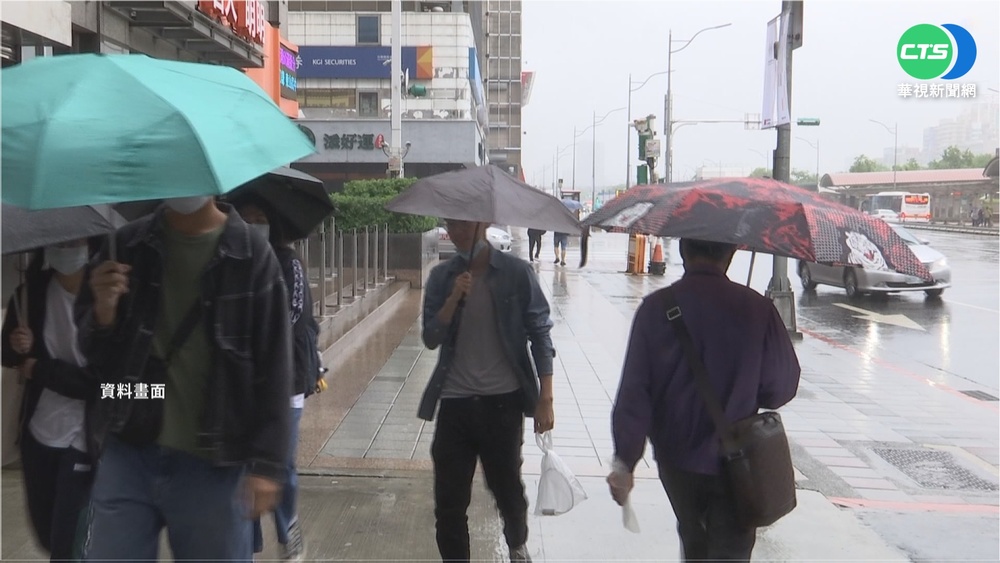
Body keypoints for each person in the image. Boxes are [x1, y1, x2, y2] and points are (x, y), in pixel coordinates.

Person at [75, 195, 293, 561]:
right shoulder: (127, 245)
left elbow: (275, 367)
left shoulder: (251, 253)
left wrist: (268, 465)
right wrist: (103, 313)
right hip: (128, 449)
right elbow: (95, 358)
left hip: (214, 462)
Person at [606, 238, 800, 562]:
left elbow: (635, 393)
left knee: (693, 538)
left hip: (677, 460)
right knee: (732, 550)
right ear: (732, 252)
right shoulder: (757, 308)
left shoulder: (656, 308)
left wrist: (625, 461)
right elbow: (780, 388)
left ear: (683, 250)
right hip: (739, 461)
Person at [418, 219, 556, 563]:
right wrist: (452, 300)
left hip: (502, 404)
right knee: (449, 501)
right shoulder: (441, 277)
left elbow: (540, 333)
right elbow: (430, 338)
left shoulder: (516, 273)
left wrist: (546, 397)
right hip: (455, 403)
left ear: (483, 225)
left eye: (465, 225)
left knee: (507, 490)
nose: (458, 232)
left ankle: (517, 543)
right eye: (452, 225)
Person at [1, 239, 99, 561]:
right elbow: (7, 356)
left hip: (87, 435)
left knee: (67, 542)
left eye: (76, 241)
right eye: (61, 241)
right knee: (45, 530)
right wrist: (18, 345)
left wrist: (41, 370)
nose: (68, 248)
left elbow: (106, 384)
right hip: (40, 431)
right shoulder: (31, 294)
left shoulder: (106, 297)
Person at [235, 195, 321, 562]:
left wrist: (253, 344)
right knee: (243, 464)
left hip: (285, 383)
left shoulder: (289, 264)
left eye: (260, 218)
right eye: (246, 218)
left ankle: (288, 530)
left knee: (279, 462)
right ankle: (247, 545)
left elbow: (294, 315)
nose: (254, 225)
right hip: (241, 384)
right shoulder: (231, 261)